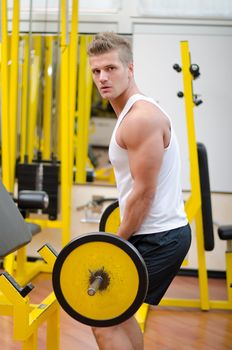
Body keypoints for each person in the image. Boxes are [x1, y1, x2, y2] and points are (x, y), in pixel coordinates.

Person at [87, 32, 191, 350]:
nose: (103, 78)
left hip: (159, 238)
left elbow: (144, 193)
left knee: (103, 316)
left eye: (111, 69)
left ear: (129, 69)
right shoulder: (130, 114)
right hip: (155, 234)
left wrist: (117, 241)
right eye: (96, 71)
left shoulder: (141, 119)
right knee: (118, 315)